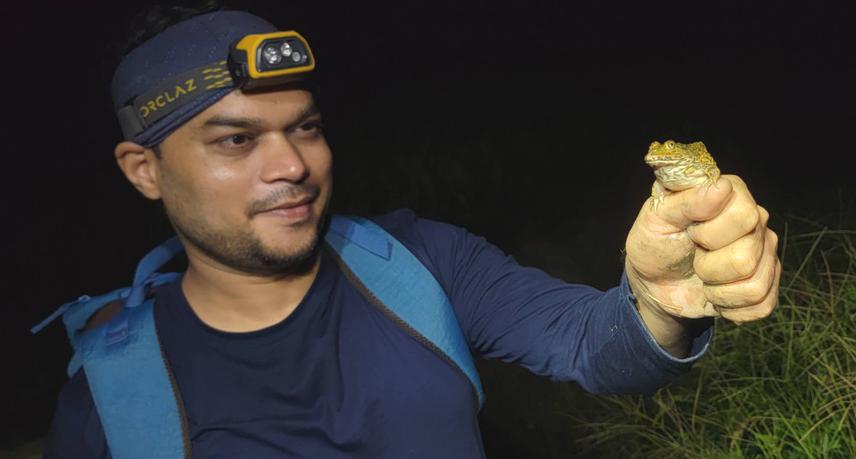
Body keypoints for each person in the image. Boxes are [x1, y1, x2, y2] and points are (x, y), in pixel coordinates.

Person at [42, 3, 781, 458]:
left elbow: (594, 346)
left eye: (306, 127)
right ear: (144, 168)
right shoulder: (111, 396)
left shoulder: (416, 262)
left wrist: (657, 300)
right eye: (236, 141)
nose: (291, 165)